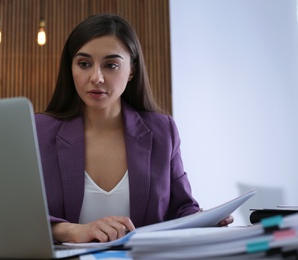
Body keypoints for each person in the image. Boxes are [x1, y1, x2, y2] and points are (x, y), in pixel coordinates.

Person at [34, 13, 233, 243]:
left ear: (131, 70)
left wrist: (205, 219)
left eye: (111, 65)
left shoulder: (162, 131)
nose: (96, 77)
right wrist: (73, 231)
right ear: (71, 68)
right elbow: (18, 216)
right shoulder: (39, 131)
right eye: (84, 64)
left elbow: (182, 209)